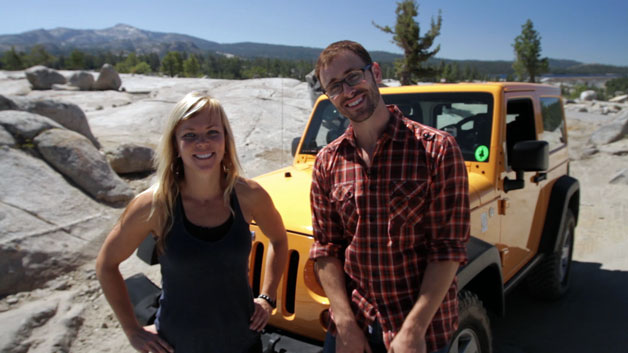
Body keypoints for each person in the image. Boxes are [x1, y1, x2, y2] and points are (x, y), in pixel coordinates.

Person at [309, 40, 470, 353]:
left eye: (354, 76)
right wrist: (343, 321)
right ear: (329, 96)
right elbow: (326, 248)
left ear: (376, 73)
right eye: (335, 86)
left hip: (418, 329)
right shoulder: (328, 161)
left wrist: (413, 329)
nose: (348, 91)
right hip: (352, 323)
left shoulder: (436, 150)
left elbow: (448, 248)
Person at [96, 91, 288, 353]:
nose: (202, 143)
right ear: (175, 144)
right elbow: (106, 264)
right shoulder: (154, 205)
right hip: (177, 346)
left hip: (244, 343)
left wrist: (267, 297)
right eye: (189, 135)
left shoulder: (248, 195)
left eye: (212, 132)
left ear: (226, 139)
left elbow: (278, 238)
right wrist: (132, 330)